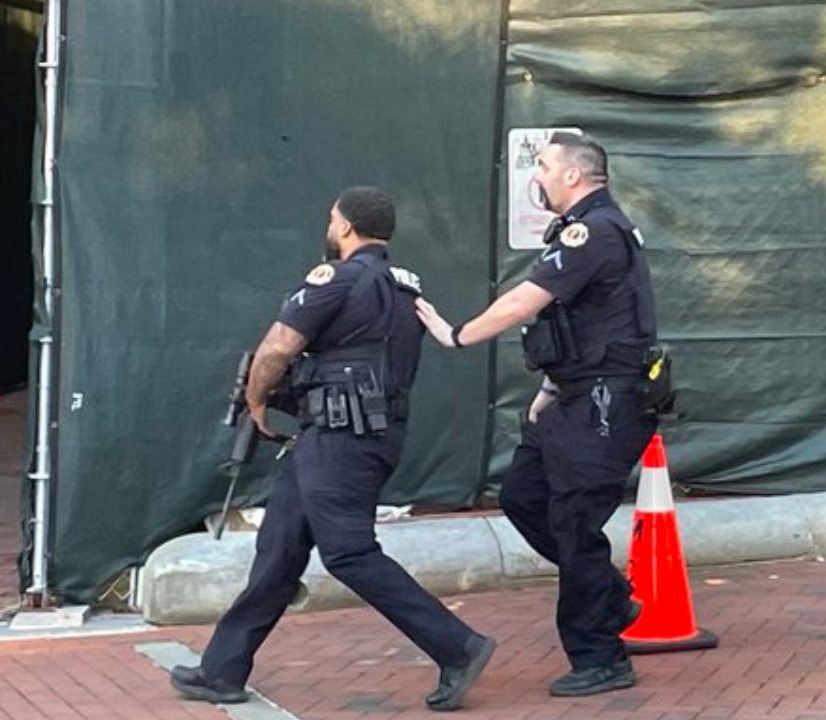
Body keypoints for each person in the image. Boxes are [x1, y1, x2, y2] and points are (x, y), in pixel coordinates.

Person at [170, 187, 494, 712]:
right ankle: (221, 669)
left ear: (345, 227)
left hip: (341, 439)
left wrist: (256, 400)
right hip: (355, 436)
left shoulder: (335, 278)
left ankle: (457, 646)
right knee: (279, 549)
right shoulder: (404, 285)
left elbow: (278, 345)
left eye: (331, 219)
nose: (329, 226)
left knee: (348, 553)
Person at [416, 133, 659, 697]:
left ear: (575, 175)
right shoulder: (584, 232)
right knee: (524, 496)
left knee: (574, 522)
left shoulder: (591, 231)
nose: (539, 177)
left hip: (605, 402)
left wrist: (456, 335)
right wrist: (550, 386)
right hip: (573, 395)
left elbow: (527, 301)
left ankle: (602, 657)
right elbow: (589, 323)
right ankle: (611, 597)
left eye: (546, 166)